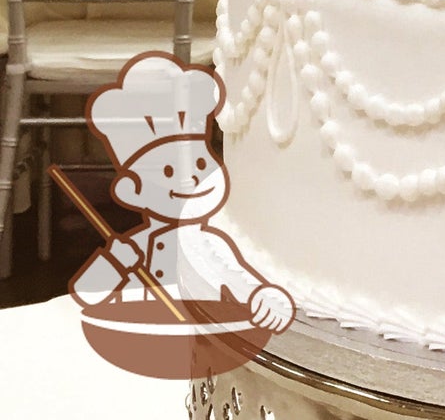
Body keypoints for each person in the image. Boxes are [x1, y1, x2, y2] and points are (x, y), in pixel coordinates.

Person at [69, 51, 293, 332]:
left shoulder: (211, 245)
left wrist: (265, 298)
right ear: (132, 192)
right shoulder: (137, 247)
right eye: (168, 172)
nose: (189, 180)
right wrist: (114, 262)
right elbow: (86, 293)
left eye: (200, 164)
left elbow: (242, 280)